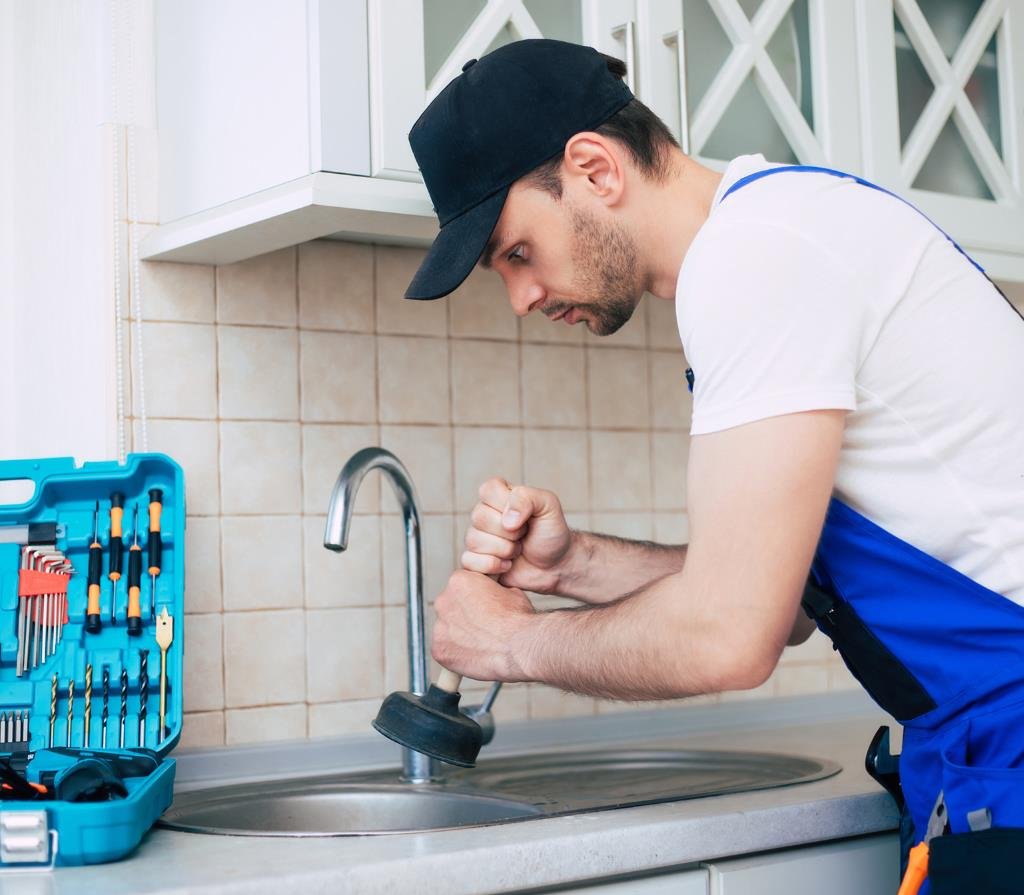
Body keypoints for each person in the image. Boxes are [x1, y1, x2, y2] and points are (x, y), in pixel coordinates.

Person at [402, 39, 1024, 893]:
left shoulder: (752, 259)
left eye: (516, 252)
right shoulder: (781, 228)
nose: (522, 297)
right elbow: (792, 603)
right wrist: (572, 562)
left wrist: (506, 641)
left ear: (594, 170)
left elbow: (732, 635)